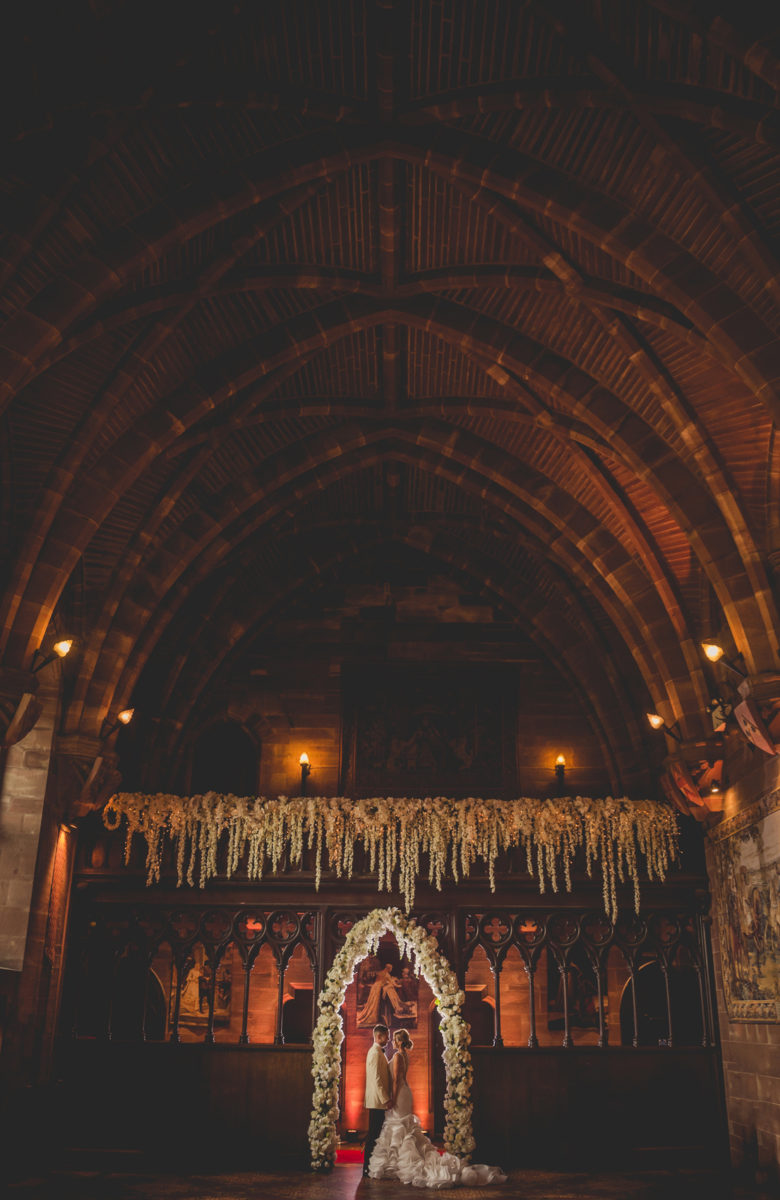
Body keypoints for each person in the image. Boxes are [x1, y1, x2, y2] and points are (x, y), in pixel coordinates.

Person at [368, 1029, 506, 1189]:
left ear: (399, 1041)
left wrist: (392, 1097)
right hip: (405, 1092)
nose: (392, 1041)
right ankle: (399, 1163)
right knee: (403, 1127)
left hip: (399, 1093)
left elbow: (397, 1080)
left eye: (394, 1039)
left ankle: (402, 1164)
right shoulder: (404, 1054)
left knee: (400, 1126)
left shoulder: (398, 1056)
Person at [363, 1023, 392, 1177]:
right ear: (379, 1036)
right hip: (377, 1101)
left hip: (378, 1101)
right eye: (387, 1036)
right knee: (373, 1135)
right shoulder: (374, 1053)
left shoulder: (378, 1052)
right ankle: (366, 1167)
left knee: (376, 1134)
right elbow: (376, 1079)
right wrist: (385, 1099)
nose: (389, 1039)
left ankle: (372, 1166)